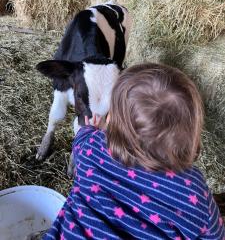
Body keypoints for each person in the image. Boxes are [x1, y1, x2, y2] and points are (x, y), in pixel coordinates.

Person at [43, 63, 225, 240]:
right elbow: (214, 234)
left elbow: (80, 140)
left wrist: (90, 129)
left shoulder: (92, 146)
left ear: (112, 118)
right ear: (192, 134)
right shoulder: (193, 190)